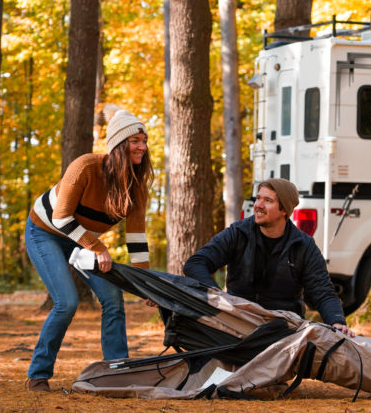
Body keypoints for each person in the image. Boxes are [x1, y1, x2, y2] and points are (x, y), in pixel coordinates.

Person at [24, 107, 153, 391]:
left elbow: (136, 238)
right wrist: (96, 246)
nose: (142, 146)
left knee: (113, 300)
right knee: (67, 302)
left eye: (144, 141)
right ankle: (38, 375)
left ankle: (116, 373)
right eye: (135, 141)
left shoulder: (135, 187)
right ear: (119, 145)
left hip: (79, 239)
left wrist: (147, 285)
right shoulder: (85, 166)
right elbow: (60, 218)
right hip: (45, 231)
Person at [183, 178, 354, 337]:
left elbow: (323, 292)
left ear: (284, 210)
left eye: (268, 200)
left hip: (283, 328)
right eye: (258, 198)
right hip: (238, 322)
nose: (258, 205)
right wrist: (219, 298)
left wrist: (337, 321)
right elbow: (196, 264)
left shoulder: (304, 246)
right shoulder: (239, 233)